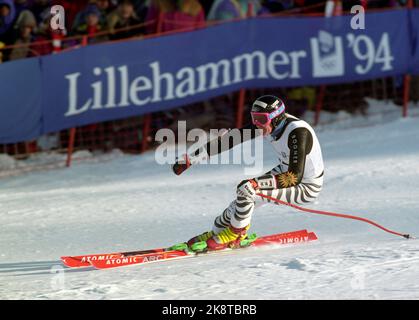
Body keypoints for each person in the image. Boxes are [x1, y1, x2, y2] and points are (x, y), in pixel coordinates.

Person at [172, 95, 324, 251]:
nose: (257, 124)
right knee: (237, 204)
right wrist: (191, 158)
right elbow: (230, 140)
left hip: (305, 186)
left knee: (248, 190)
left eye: (261, 119)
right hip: (284, 171)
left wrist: (256, 183)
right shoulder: (267, 125)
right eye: (254, 118)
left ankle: (235, 234)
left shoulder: (298, 132)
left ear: (276, 118)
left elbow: (294, 177)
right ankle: (217, 232)